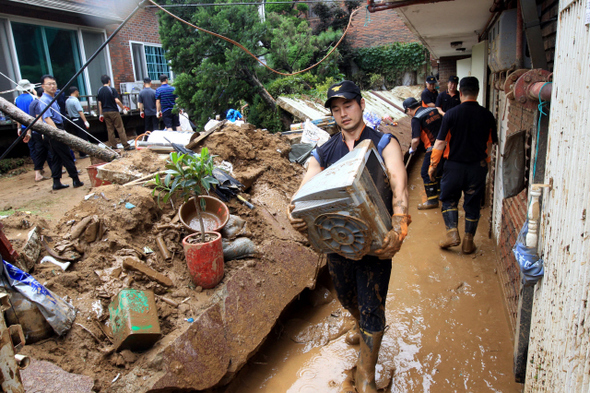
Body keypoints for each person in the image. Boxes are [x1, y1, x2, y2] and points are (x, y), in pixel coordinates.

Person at [287, 80, 410, 393]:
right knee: (345, 296)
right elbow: (306, 185)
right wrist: (295, 210)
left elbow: (399, 185)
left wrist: (399, 227)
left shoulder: (384, 142)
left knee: (372, 305)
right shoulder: (325, 151)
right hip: (338, 242)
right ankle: (357, 320)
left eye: (348, 105)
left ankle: (366, 376)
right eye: (336, 108)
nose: (343, 113)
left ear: (361, 105)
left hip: (376, 242)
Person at [428, 76, 497, 254]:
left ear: (460, 93)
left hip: (454, 168)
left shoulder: (451, 114)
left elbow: (440, 143)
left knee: (450, 199)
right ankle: (468, 241)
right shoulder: (488, 115)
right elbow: (489, 144)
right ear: (478, 92)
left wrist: (433, 165)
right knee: (472, 204)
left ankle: (452, 233)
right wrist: (485, 165)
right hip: (477, 168)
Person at [38, 75, 84, 190]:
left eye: (54, 83)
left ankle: (56, 182)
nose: (52, 86)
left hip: (55, 128)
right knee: (66, 155)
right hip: (54, 129)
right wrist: (58, 133)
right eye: (49, 84)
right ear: (43, 86)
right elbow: (47, 118)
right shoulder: (44, 100)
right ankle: (76, 180)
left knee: (56, 157)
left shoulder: (52, 98)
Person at [403, 96, 444, 210]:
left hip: (432, 147)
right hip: (444, 145)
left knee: (425, 173)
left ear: (409, 110)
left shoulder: (416, 118)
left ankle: (432, 200)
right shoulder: (433, 110)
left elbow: (415, 140)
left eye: (408, 112)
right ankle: (441, 195)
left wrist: (412, 149)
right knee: (439, 170)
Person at [14, 79, 47, 181]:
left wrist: (18, 127)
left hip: (24, 127)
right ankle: (39, 170)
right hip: (34, 126)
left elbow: (16, 115)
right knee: (41, 148)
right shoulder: (33, 97)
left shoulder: (16, 99)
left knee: (32, 149)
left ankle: (38, 169)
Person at [97, 74, 132, 150]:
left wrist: (101, 114)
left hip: (105, 112)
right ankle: (126, 145)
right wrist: (123, 108)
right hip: (113, 111)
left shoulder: (99, 90)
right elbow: (117, 100)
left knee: (110, 130)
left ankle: (113, 146)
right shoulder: (111, 90)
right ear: (109, 81)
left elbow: (100, 104)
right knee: (120, 128)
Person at [28, 87, 53, 181]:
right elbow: (39, 118)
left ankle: (38, 173)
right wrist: (43, 131)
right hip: (40, 131)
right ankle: (54, 170)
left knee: (40, 152)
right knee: (50, 151)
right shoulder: (40, 103)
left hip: (35, 131)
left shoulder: (33, 103)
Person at [65, 86, 90, 158]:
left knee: (78, 137)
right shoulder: (75, 100)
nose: (78, 93)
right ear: (75, 91)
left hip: (72, 120)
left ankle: (81, 152)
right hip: (78, 119)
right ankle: (83, 153)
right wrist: (85, 121)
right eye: (78, 91)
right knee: (83, 137)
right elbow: (80, 111)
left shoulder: (67, 101)